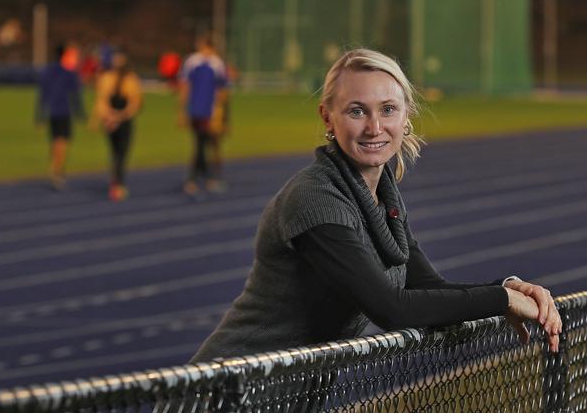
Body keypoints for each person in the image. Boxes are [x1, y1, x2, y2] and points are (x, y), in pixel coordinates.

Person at [192, 48, 562, 363]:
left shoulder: (381, 195)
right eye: (356, 111)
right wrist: (502, 300)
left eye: (387, 109)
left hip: (281, 394)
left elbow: (426, 285)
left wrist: (511, 287)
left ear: (406, 116)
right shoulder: (315, 196)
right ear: (327, 117)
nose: (374, 127)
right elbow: (392, 309)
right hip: (224, 394)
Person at [177, 34, 228, 196]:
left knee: (207, 144)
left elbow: (222, 90)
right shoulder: (192, 62)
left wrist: (219, 112)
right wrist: (182, 110)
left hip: (210, 111)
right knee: (199, 144)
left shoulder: (217, 64)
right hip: (196, 110)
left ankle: (201, 178)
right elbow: (185, 86)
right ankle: (200, 178)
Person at [91, 49, 143, 201]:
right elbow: (102, 99)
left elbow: (135, 102)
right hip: (116, 120)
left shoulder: (127, 79)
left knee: (119, 153)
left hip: (119, 119)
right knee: (118, 153)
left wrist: (114, 117)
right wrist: (110, 117)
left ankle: (117, 182)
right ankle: (118, 184)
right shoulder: (111, 78)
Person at [36, 43, 84, 190]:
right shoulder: (69, 73)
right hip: (64, 111)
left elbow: (42, 95)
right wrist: (80, 113)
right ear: (64, 55)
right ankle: (57, 170)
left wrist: (39, 116)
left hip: (51, 112)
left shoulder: (47, 71)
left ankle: (54, 166)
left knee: (55, 141)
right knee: (62, 142)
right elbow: (75, 96)